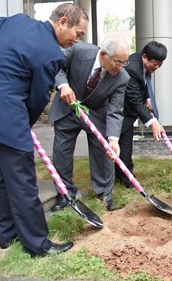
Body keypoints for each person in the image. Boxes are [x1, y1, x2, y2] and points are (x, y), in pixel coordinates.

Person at [0, 3, 88, 256]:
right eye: (78, 34)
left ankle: (8, 234)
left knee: (5, 173)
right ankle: (38, 245)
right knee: (24, 182)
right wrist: (23, 124)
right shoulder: (52, 55)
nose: (76, 41)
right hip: (7, 118)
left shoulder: (17, 21)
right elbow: (36, 101)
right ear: (63, 22)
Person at [48, 36, 130, 211]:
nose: (121, 67)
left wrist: (113, 139)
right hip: (68, 108)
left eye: (125, 63)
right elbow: (57, 66)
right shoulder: (79, 51)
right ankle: (65, 194)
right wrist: (62, 85)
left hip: (96, 113)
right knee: (62, 153)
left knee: (103, 154)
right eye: (118, 62)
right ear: (103, 54)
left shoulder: (122, 77)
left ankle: (105, 195)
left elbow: (116, 109)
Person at [116, 41, 167, 188]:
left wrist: (148, 98)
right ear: (145, 56)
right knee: (121, 145)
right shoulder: (132, 69)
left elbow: (143, 85)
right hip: (118, 111)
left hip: (127, 110)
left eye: (160, 64)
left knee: (124, 145)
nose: (157, 67)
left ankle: (125, 177)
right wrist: (152, 121)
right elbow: (134, 100)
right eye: (155, 64)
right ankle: (125, 179)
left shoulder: (143, 65)